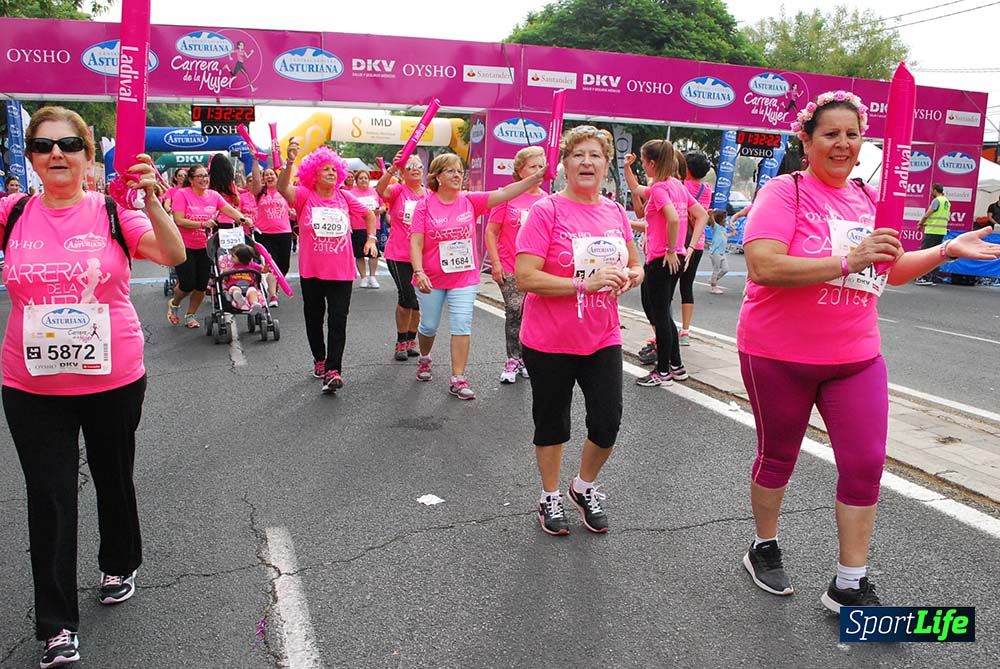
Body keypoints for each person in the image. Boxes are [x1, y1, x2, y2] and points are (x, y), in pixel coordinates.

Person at [739, 90, 1000, 611]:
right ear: (807, 141)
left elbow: (886, 269)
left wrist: (946, 249)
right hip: (778, 354)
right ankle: (763, 546)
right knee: (778, 457)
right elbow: (764, 266)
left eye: (852, 135)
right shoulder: (783, 192)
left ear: (863, 144)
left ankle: (849, 583)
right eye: (830, 134)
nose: (842, 144)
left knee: (864, 464)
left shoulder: (866, 199)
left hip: (855, 357)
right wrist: (846, 259)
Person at [1, 106, 185, 668]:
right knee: (49, 495)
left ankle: (119, 560)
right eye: (43, 144)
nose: (56, 153)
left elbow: (174, 254)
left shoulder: (110, 211)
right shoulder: (11, 213)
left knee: (111, 474)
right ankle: (56, 625)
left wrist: (152, 195)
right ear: (31, 157)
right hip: (31, 382)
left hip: (112, 378)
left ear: (88, 156)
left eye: (69, 144)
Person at [516, 125, 643, 535]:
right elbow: (525, 277)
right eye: (578, 155)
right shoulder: (546, 211)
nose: (587, 162)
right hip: (549, 338)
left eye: (596, 156)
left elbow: (636, 262)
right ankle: (549, 495)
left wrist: (631, 276)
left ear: (607, 165)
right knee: (553, 423)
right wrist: (580, 285)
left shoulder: (614, 211)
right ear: (565, 164)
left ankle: (583, 486)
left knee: (607, 422)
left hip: (602, 335)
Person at [410, 153, 542, 400]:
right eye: (450, 171)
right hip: (432, 277)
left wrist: (535, 177)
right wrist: (419, 271)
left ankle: (458, 378)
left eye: (460, 170)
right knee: (428, 325)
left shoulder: (470, 201)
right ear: (437, 176)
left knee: (461, 324)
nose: (457, 175)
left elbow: (506, 193)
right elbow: (416, 241)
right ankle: (425, 357)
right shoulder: (425, 205)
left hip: (464, 277)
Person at [277, 140, 377, 393]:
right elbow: (281, 187)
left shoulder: (345, 196)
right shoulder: (304, 195)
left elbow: (369, 214)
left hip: (341, 272)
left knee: (337, 320)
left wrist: (371, 239)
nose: (332, 173)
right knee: (313, 318)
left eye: (335, 169)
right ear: (314, 173)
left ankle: (334, 370)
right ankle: (319, 358)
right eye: (326, 169)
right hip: (312, 271)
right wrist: (289, 162)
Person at [624, 140, 708, 387]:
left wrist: (672, 249)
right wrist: (688, 247)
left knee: (660, 315)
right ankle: (677, 366)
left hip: (662, 258)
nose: (643, 165)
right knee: (664, 314)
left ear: (652, 162)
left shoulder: (662, 188)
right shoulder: (676, 186)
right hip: (675, 257)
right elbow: (702, 215)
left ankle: (662, 371)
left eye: (643, 160)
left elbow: (672, 218)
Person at [484, 146, 546, 384]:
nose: (538, 171)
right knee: (515, 308)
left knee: (532, 313)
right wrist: (496, 264)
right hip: (509, 265)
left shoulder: (546, 200)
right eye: (533, 166)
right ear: (520, 171)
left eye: (541, 166)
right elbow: (491, 231)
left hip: (537, 269)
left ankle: (527, 358)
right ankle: (512, 358)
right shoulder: (507, 195)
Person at [168, 164, 250, 328]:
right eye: (200, 176)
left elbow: (228, 210)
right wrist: (202, 223)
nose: (204, 179)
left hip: (206, 246)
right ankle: (175, 302)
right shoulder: (182, 194)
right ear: (191, 180)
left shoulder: (213, 195)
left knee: (201, 284)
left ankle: (190, 315)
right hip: (183, 246)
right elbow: (179, 220)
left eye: (206, 175)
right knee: (187, 284)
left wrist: (243, 219)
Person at [377, 153, 427, 361]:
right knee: (407, 296)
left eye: (418, 166)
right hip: (398, 253)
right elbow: (380, 190)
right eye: (410, 166)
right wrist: (392, 169)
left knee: (418, 302)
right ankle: (400, 342)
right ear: (403, 172)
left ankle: (410, 341)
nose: (415, 169)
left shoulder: (429, 194)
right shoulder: (399, 190)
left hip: (422, 256)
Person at [678, 151, 714, 345]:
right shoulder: (706, 189)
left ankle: (661, 328)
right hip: (697, 243)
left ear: (687, 169)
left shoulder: (680, 186)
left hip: (679, 242)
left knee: (666, 287)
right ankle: (685, 330)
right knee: (687, 285)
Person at [251, 165, 294, 308]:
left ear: (277, 177)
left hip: (284, 233)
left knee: (284, 266)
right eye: (266, 175)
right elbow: (256, 180)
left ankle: (274, 287)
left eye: (272, 175)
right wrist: (255, 160)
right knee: (271, 264)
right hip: (264, 234)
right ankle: (273, 295)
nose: (269, 177)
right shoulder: (259, 193)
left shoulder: (284, 192)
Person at [350, 170, 384, 288]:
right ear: (356, 180)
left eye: (365, 178)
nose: (363, 180)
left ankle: (373, 277)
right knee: (359, 254)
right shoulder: (351, 193)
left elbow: (383, 206)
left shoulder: (375, 192)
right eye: (361, 178)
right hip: (357, 226)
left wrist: (380, 210)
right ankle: (363, 277)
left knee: (374, 253)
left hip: (374, 227)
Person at [914, 183, 951, 285]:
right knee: (936, 256)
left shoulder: (937, 201)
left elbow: (928, 213)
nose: (931, 192)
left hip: (932, 231)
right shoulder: (946, 202)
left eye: (932, 190)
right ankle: (932, 277)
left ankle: (923, 277)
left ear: (935, 190)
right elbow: (948, 216)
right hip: (941, 232)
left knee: (925, 254)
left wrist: (921, 223)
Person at [219, 243, 265, 315]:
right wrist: (225, 272)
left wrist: (266, 267)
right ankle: (239, 299)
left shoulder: (252, 265)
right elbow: (225, 278)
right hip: (234, 285)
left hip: (249, 285)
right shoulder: (230, 266)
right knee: (235, 290)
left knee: (252, 292)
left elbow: (262, 270)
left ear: (241, 258)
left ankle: (254, 304)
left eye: (233, 256)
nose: (231, 258)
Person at [707, 210, 735, 294]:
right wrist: (711, 214)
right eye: (724, 218)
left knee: (725, 269)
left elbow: (725, 236)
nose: (726, 219)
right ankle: (713, 287)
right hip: (715, 252)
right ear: (720, 219)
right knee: (716, 269)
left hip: (722, 252)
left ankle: (713, 279)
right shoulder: (716, 227)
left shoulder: (723, 228)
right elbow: (712, 220)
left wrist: (732, 234)